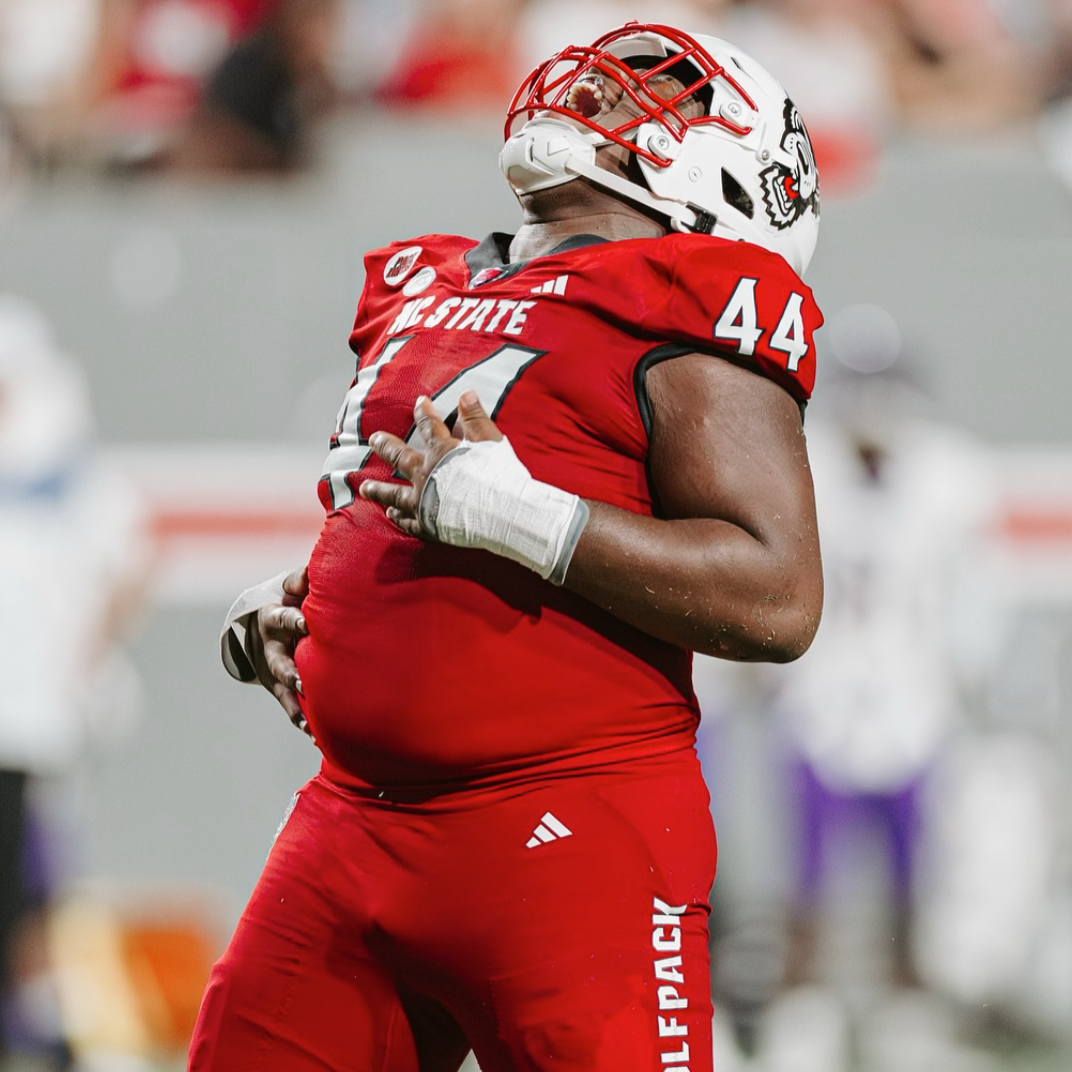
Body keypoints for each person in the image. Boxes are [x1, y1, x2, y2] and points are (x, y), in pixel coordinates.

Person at [189, 21, 825, 1072]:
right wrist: (307, 608)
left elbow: (779, 594)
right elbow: (413, 506)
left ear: (740, 176)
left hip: (569, 830)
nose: (600, 90)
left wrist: (525, 516)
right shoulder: (432, 284)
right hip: (353, 817)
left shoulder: (690, 291)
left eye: (661, 90)